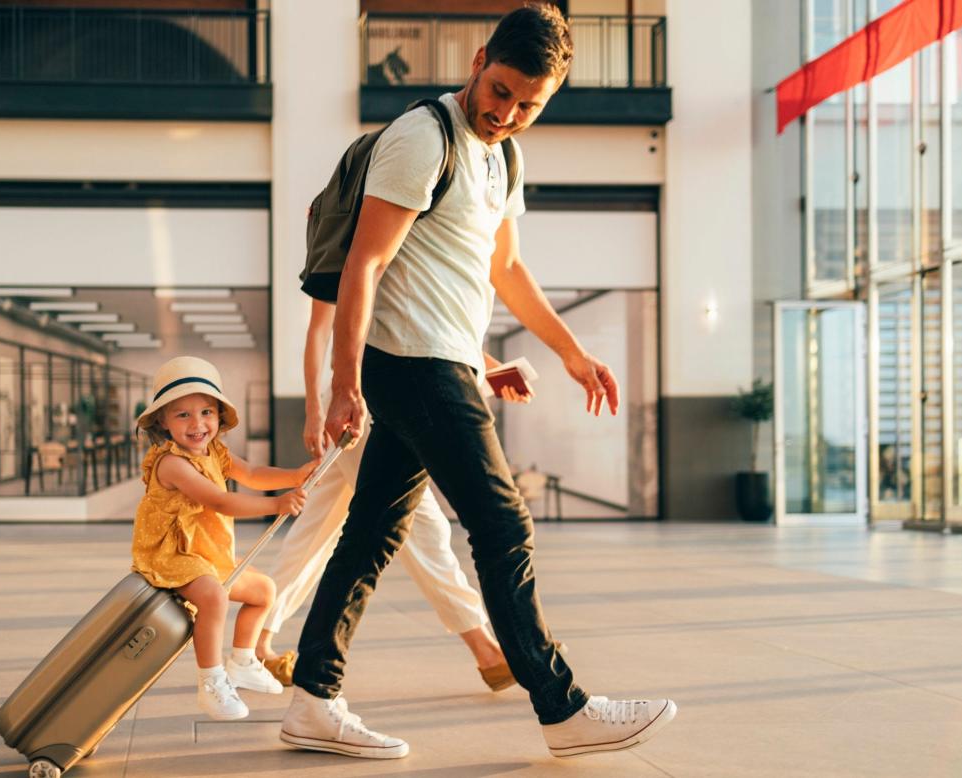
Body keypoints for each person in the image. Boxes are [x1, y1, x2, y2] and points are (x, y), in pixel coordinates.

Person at [278, 5, 676, 760]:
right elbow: (364, 264)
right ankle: (561, 707)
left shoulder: (502, 158)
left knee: (370, 534)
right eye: (499, 91)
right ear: (477, 59)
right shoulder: (422, 138)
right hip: (413, 364)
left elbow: (503, 269)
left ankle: (310, 697)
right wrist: (340, 381)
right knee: (501, 526)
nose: (507, 113)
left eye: (529, 104)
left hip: (446, 363)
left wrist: (566, 352)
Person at [255, 298, 527, 692]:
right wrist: (314, 409)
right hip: (357, 406)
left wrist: (493, 370)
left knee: (317, 529)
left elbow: (428, 328)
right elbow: (319, 331)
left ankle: (254, 641)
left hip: (392, 402)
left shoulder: (408, 253)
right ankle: (487, 651)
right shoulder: (350, 243)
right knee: (422, 525)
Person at [132, 356, 317, 721]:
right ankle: (210, 681)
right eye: (182, 415)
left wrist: (295, 476)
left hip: (205, 553)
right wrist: (277, 504)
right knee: (214, 597)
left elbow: (253, 473)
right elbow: (219, 501)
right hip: (172, 554)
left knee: (264, 590)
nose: (197, 423)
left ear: (218, 417)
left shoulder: (215, 452)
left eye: (206, 412)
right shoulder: (172, 463)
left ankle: (244, 660)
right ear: (163, 423)